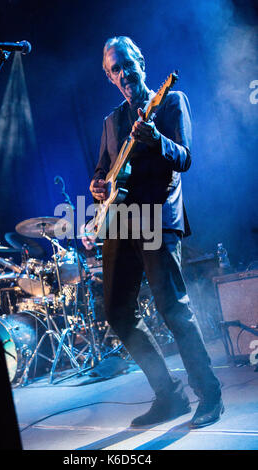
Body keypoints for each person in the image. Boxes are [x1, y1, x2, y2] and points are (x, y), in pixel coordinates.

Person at [89, 36, 223, 428]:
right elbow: (102, 169)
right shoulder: (111, 122)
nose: (123, 72)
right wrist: (98, 185)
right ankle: (170, 396)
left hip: (156, 218)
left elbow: (185, 157)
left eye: (127, 63)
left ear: (141, 61)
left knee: (172, 309)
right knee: (117, 313)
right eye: (115, 68)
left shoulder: (170, 101)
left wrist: (156, 140)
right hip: (120, 223)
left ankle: (210, 393)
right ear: (109, 77)